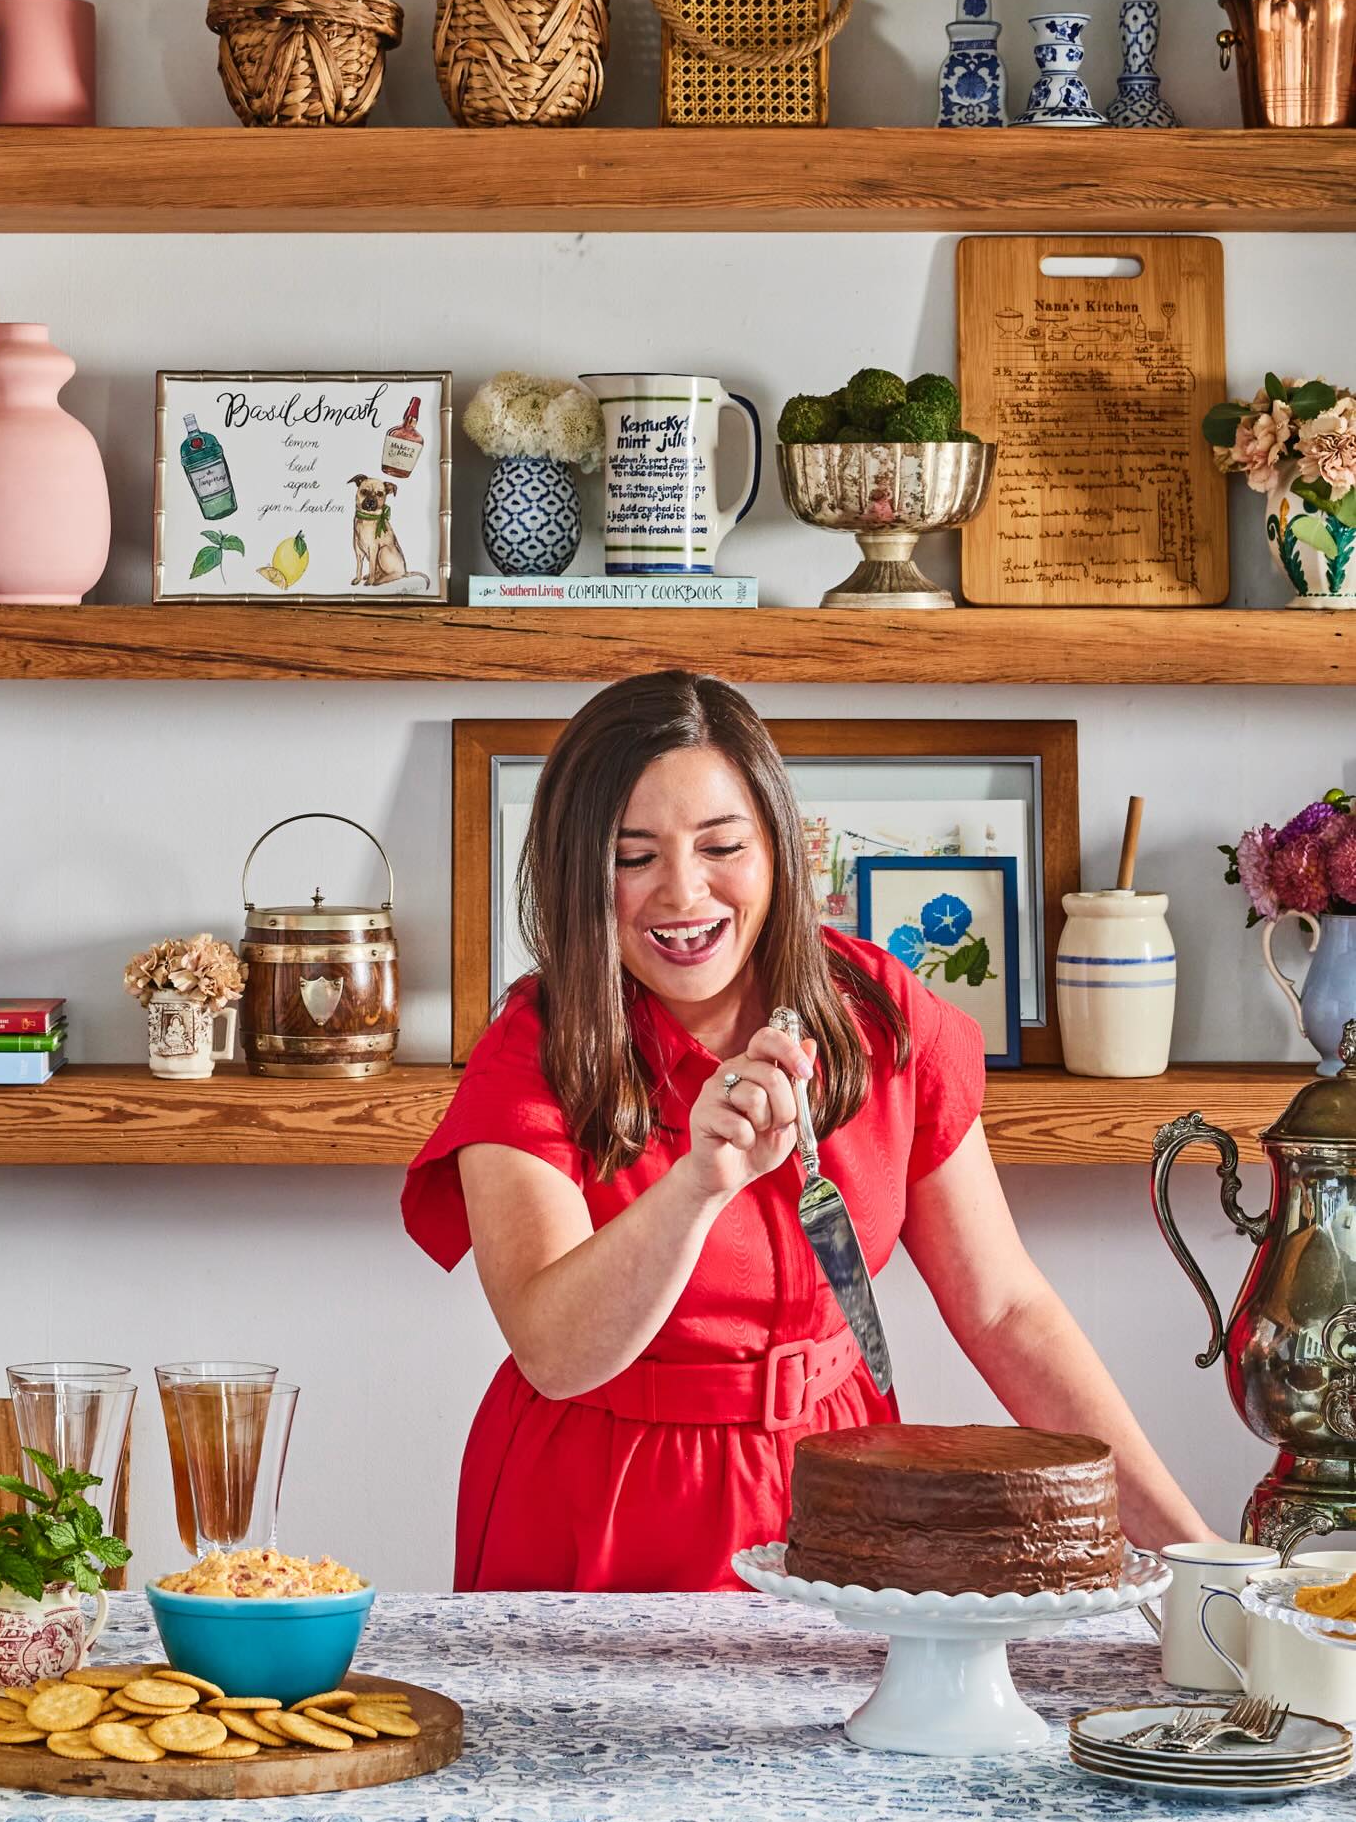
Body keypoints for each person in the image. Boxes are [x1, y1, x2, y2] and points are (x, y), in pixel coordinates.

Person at [403, 672, 1205, 1594]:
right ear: (574, 869)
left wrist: (1188, 1552)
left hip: (835, 1495)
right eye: (633, 857)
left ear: (778, 848)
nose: (682, 892)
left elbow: (1002, 1309)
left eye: (721, 846)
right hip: (598, 1502)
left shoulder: (881, 1017)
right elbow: (554, 1351)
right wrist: (699, 1184)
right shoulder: (534, 1049)